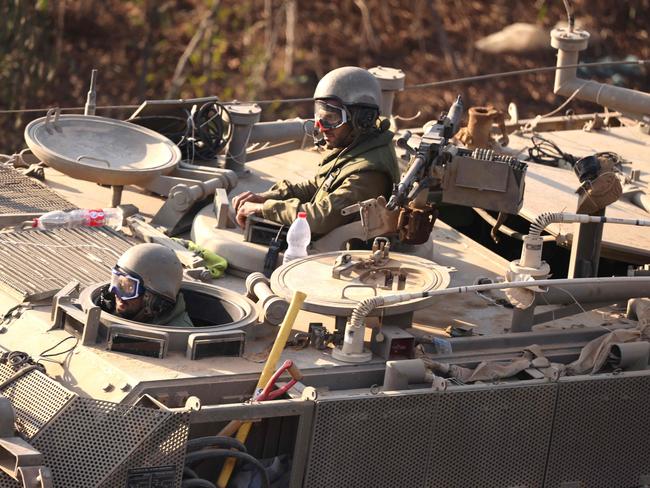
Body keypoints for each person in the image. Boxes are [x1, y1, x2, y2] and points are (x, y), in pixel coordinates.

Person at [233, 66, 400, 237]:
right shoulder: (357, 145)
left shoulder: (368, 173)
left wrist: (265, 209)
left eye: (332, 118)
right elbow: (320, 184)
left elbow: (320, 217)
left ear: (363, 119)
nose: (321, 127)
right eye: (319, 116)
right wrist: (268, 197)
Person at [100, 243, 194, 327]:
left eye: (129, 287)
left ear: (153, 299)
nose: (116, 292)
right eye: (119, 283)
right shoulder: (126, 309)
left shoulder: (175, 338)